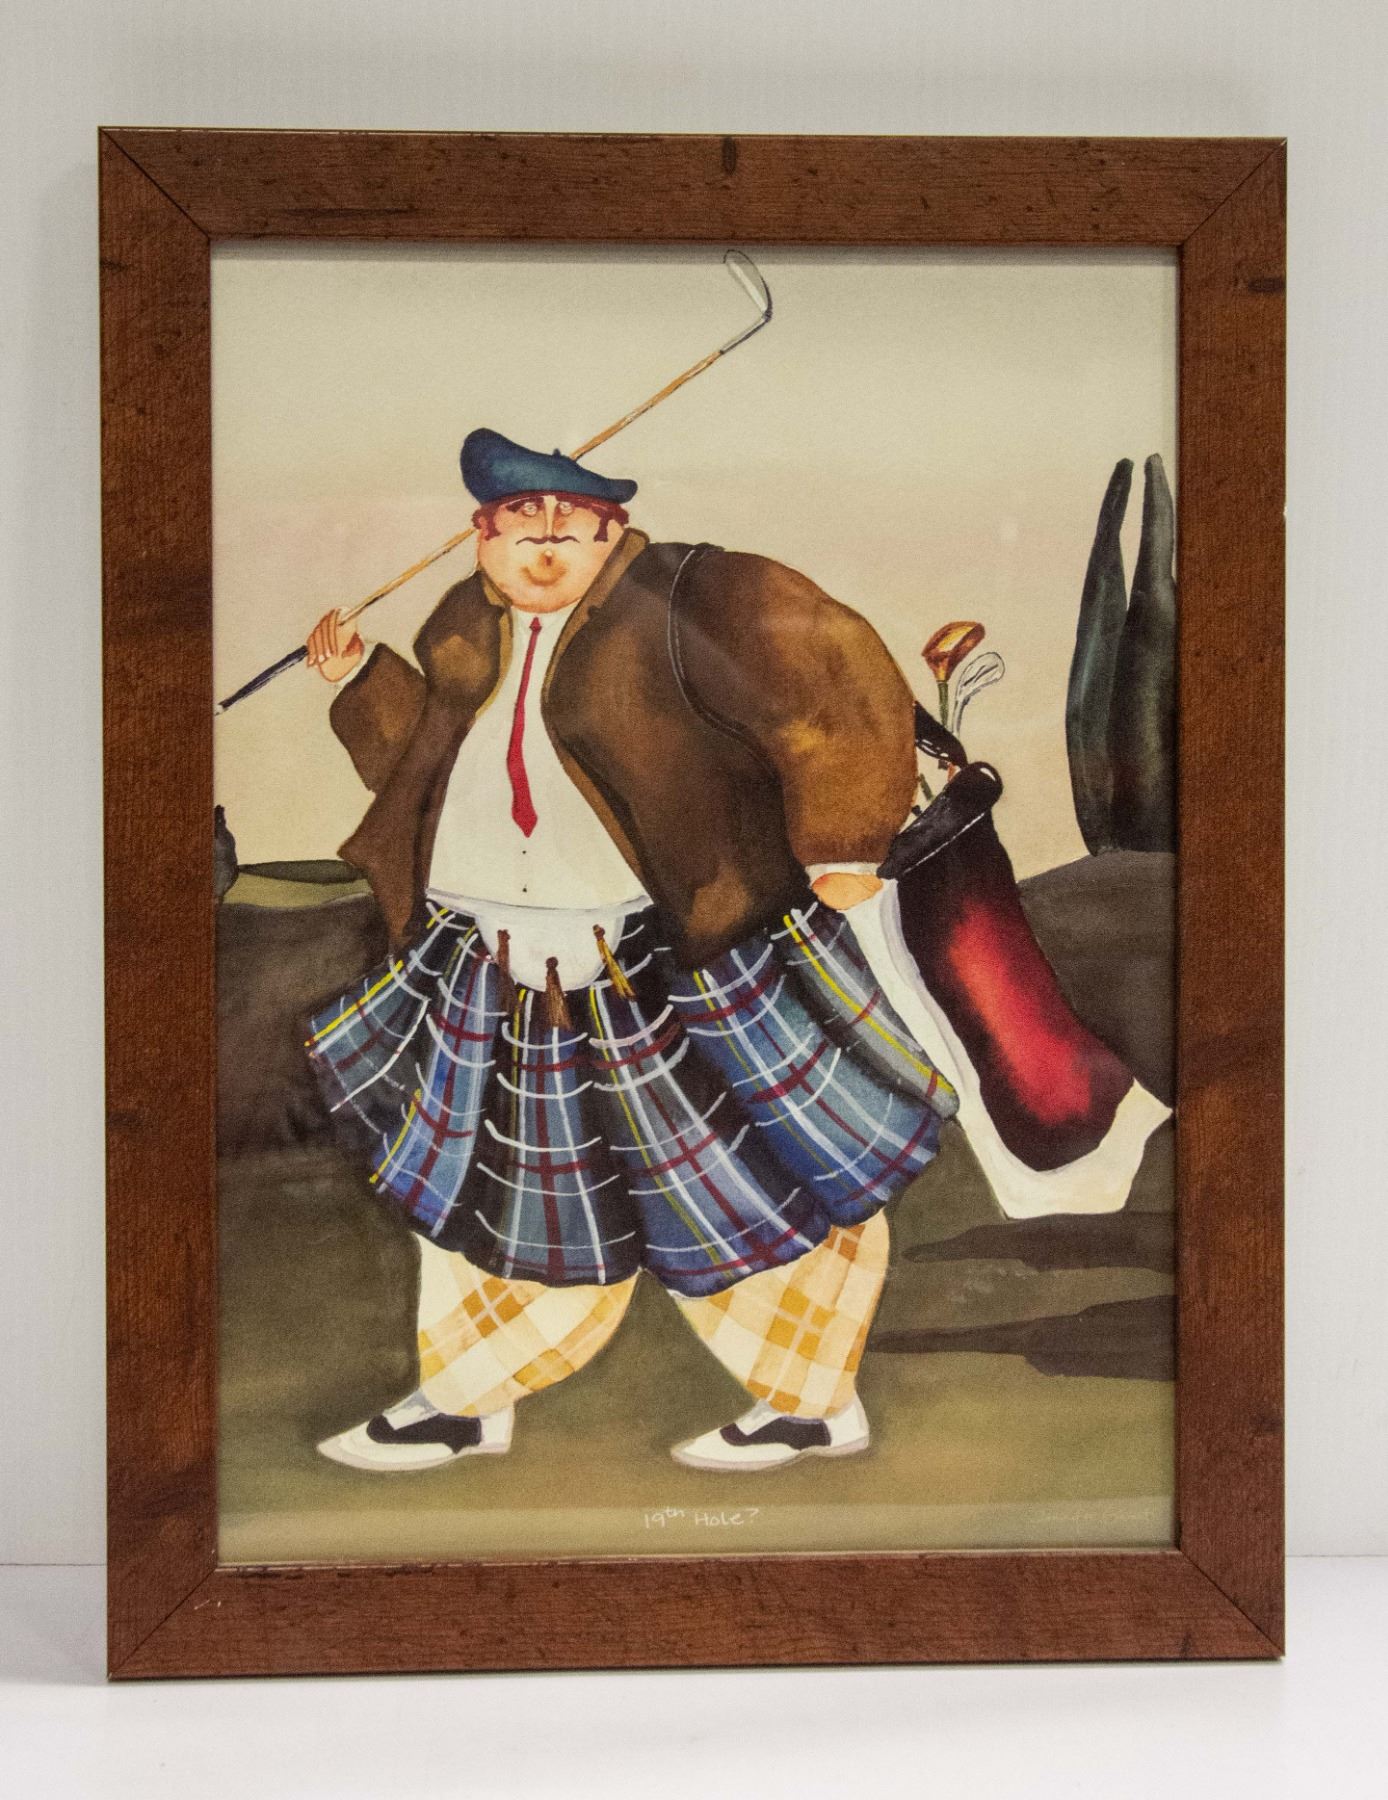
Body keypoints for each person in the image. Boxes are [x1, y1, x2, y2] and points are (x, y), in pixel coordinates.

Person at [302, 428, 1165, 1474]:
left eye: (570, 524)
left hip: (673, 959)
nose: (544, 544)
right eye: (519, 522)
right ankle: (462, 1399)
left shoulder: (692, 599)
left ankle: (808, 1405)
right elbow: (426, 773)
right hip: (495, 967)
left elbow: (831, 677)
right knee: (497, 1198)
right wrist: (360, 680)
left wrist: (844, 840)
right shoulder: (461, 632)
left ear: (610, 531)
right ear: (479, 536)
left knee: (758, 1187)